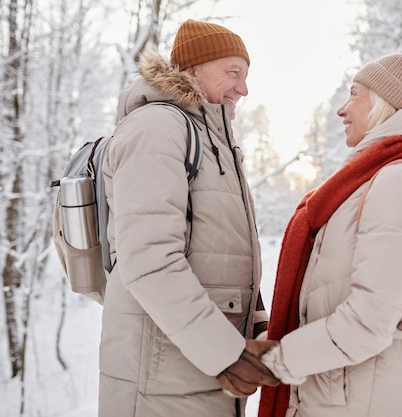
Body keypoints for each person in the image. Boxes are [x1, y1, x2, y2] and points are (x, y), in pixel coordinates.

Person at [98, 19, 279, 417]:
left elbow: (222, 254)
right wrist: (226, 354)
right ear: (194, 69)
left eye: (246, 76)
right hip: (161, 384)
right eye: (233, 73)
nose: (243, 89)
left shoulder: (216, 141)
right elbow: (150, 261)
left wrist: (258, 323)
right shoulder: (156, 128)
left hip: (199, 374)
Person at [258, 53, 402, 417]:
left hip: (361, 404)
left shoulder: (398, 183)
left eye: (354, 94)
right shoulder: (377, 179)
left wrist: (278, 360)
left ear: (382, 102)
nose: (341, 110)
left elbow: (369, 321)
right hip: (348, 397)